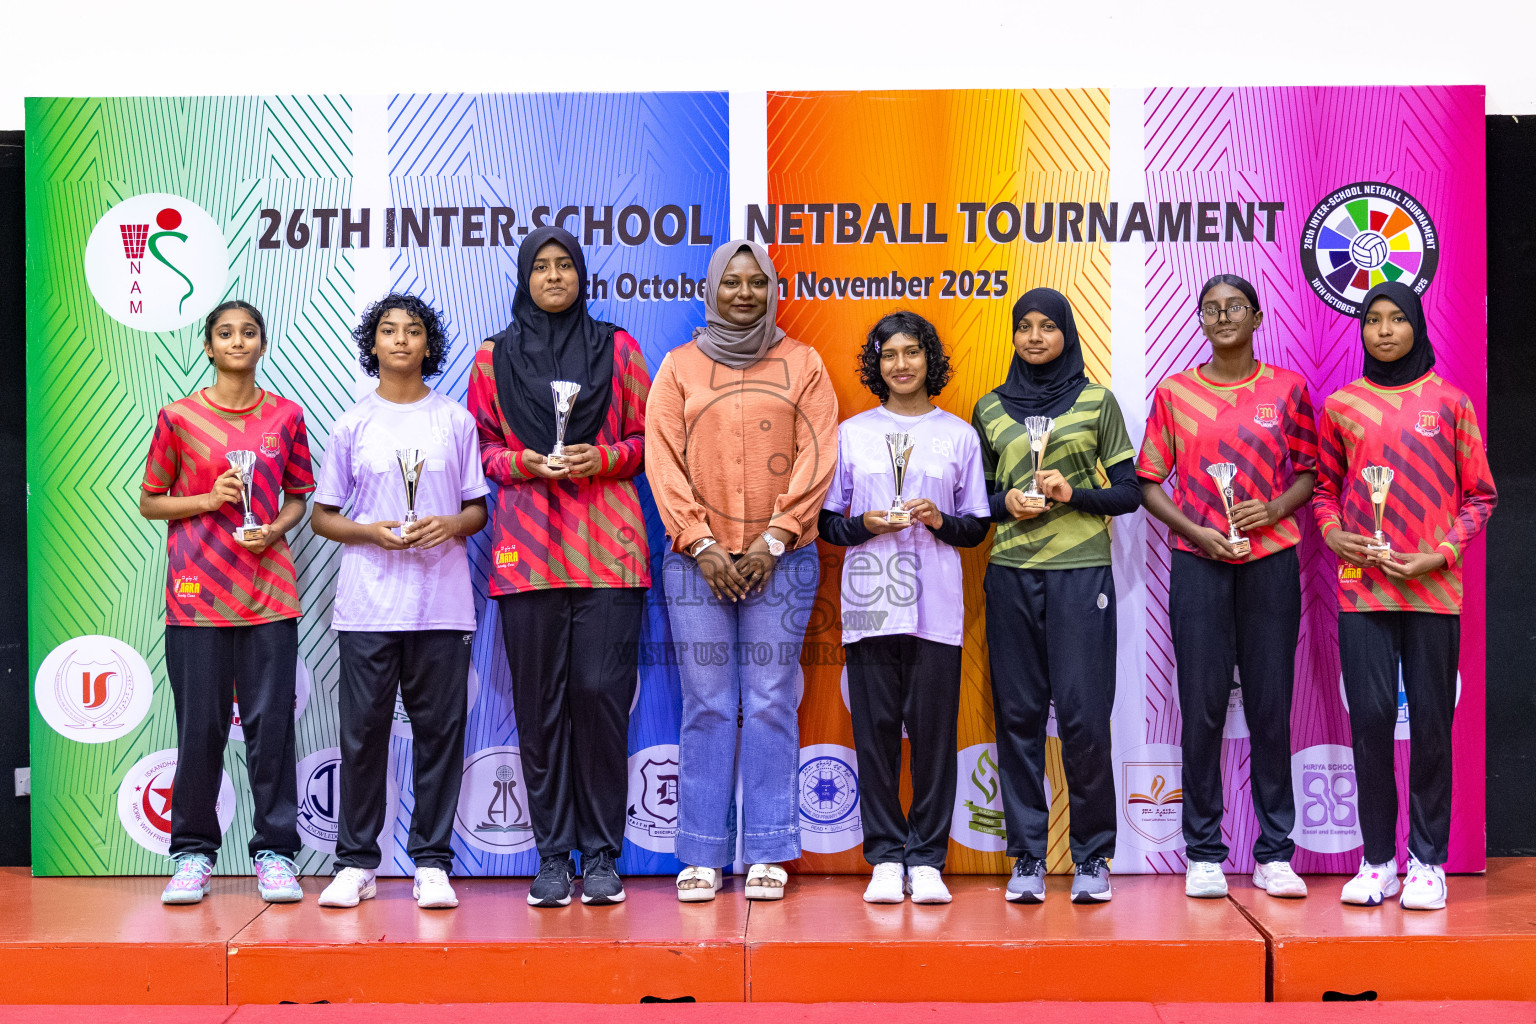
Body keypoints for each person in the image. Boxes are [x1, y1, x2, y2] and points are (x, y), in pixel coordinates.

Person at [646, 239, 837, 903]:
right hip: (696, 563)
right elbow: (663, 463)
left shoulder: (803, 364)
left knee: (769, 700)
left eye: (757, 283)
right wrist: (703, 545)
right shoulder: (678, 369)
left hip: (781, 563)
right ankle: (699, 852)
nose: (745, 294)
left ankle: (768, 849)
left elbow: (817, 455)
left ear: (772, 290)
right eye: (732, 283)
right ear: (711, 290)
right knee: (706, 703)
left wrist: (773, 541)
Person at [467, 226, 651, 908]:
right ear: (524, 277)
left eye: (564, 265)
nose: (552, 276)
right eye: (540, 266)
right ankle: (552, 856)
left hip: (609, 552)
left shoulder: (619, 348)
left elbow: (646, 442)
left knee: (601, 697)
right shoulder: (492, 358)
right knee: (539, 709)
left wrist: (597, 459)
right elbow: (481, 450)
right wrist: (523, 463)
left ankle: (601, 855)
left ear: (580, 274)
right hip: (527, 554)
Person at [1313, 281, 1495, 911]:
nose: (1384, 330)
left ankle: (1427, 862)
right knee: (1368, 724)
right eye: (1372, 319)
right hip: (1363, 591)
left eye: (1396, 319)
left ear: (1416, 324)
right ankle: (1377, 860)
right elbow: (1324, 492)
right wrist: (1337, 536)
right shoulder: (1341, 406)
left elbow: (1481, 497)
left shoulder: (1450, 403)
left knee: (1432, 731)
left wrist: (1439, 555)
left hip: (1433, 591)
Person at [1137, 274, 1316, 900]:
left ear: (1257, 316)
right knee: (1203, 706)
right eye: (1210, 309)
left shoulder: (1288, 390)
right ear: (1201, 320)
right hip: (1199, 560)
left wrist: (1272, 511)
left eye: (1234, 307)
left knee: (1270, 705)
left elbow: (1312, 474)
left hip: (1270, 562)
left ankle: (1275, 853)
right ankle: (1204, 852)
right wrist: (1196, 531)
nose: (1222, 317)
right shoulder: (1176, 393)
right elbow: (1149, 481)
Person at [311, 294, 489, 911]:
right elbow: (323, 517)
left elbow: (477, 509)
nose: (401, 340)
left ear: (428, 345)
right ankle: (356, 863)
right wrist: (372, 531)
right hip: (367, 605)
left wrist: (449, 524)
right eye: (389, 331)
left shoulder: (455, 421)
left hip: (441, 605)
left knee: (440, 733)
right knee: (362, 735)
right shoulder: (352, 423)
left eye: (413, 331)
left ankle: (432, 863)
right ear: (374, 345)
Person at [139, 300, 314, 905]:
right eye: (224, 333)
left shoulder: (286, 416)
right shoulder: (179, 417)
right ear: (209, 347)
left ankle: (276, 854)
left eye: (248, 332)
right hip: (195, 599)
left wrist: (274, 528)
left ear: (262, 344)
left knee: (271, 731)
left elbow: (300, 497)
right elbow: (151, 501)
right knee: (201, 730)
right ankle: (191, 854)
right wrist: (209, 501)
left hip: (269, 596)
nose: (237, 341)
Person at [972, 287, 1140, 904]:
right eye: (1024, 327)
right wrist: (1004, 503)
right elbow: (976, 503)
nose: (1035, 337)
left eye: (1047, 326)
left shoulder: (1098, 402)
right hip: (1010, 572)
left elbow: (1129, 492)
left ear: (1067, 332)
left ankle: (1093, 857)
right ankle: (1027, 859)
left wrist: (1075, 495)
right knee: (1016, 717)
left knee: (1083, 717)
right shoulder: (989, 408)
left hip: (1081, 573)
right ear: (1013, 335)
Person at [818, 310, 990, 905]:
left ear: (929, 359)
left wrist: (941, 520)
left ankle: (928, 858)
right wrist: (862, 524)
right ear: (876, 364)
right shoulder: (852, 433)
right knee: (877, 735)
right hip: (870, 602)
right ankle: (886, 856)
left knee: (936, 737)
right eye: (889, 355)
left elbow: (976, 529)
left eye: (912, 352)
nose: (901, 364)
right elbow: (826, 524)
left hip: (938, 606)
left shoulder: (959, 435)